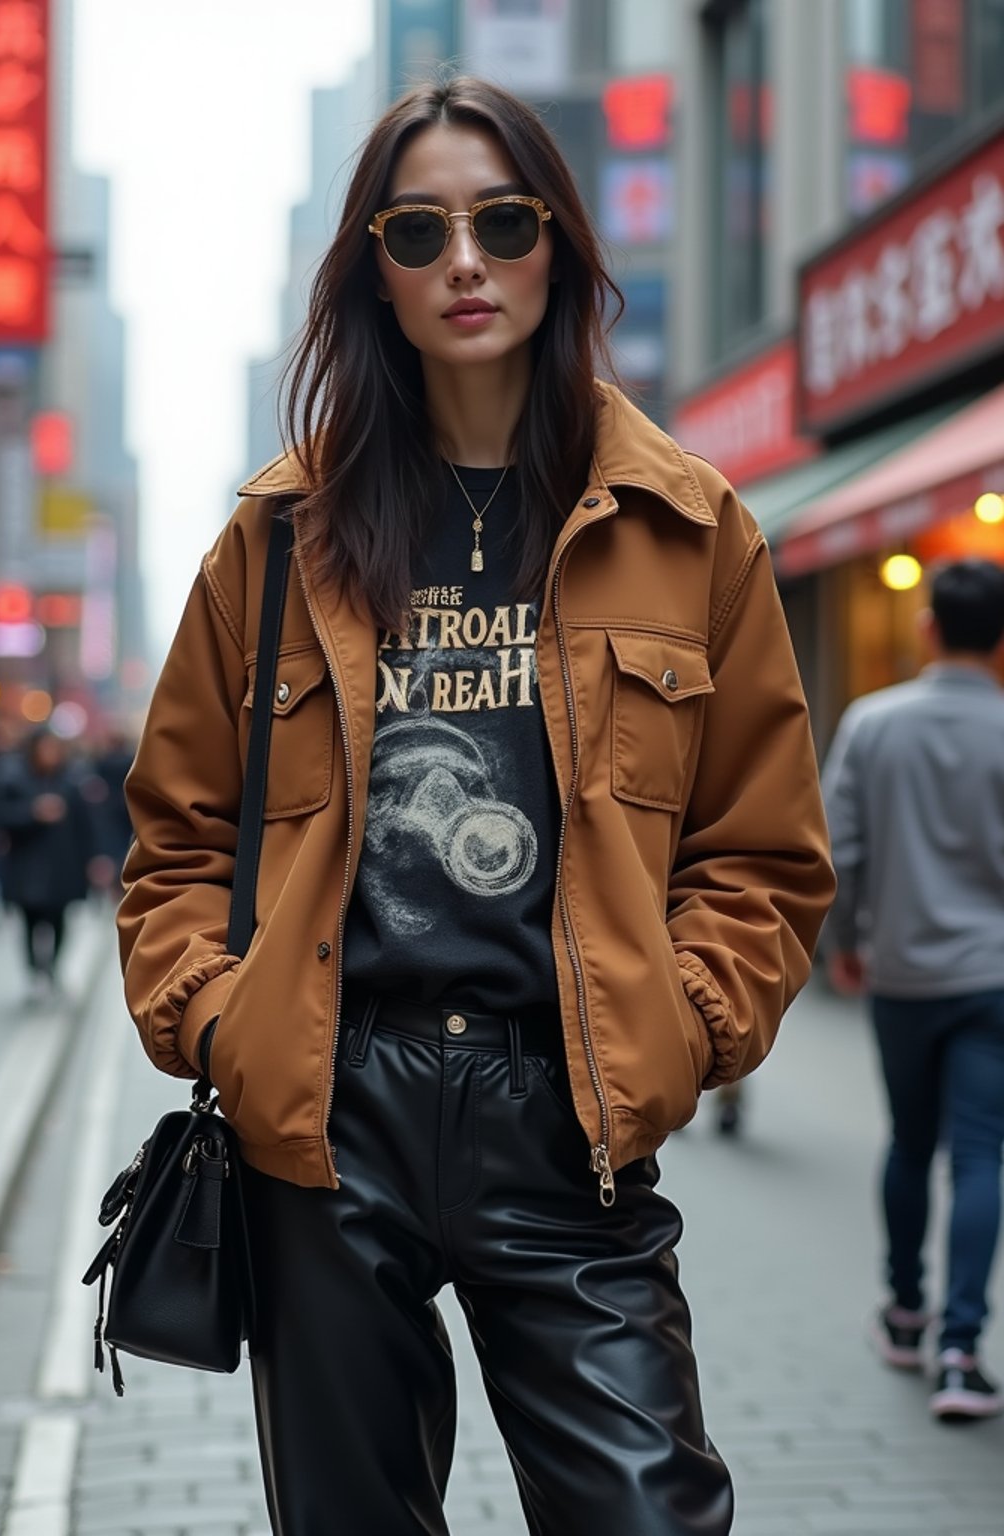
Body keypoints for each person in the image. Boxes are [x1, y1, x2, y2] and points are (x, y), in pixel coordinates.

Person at [119, 77, 834, 1536]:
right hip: (328, 1112)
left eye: (503, 223)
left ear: (559, 245)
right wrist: (220, 1023)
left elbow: (762, 849)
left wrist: (684, 1025)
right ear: (369, 269)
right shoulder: (276, 539)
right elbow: (177, 836)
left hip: (567, 1110)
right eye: (418, 229)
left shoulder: (690, 525)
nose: (465, 261)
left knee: (650, 1511)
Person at [822, 557, 1004, 1424]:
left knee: (909, 1142)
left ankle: (904, 1312)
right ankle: (963, 1352)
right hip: (995, 977)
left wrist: (844, 946)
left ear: (929, 628)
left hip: (901, 973)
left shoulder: (871, 723)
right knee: (981, 1153)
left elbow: (836, 851)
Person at [0, 727, 94, 1001]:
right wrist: (33, 812)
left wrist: (94, 859)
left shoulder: (72, 781)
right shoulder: (14, 778)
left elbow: (86, 824)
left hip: (63, 864)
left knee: (59, 920)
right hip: (27, 865)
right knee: (29, 921)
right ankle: (35, 972)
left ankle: (53, 970)